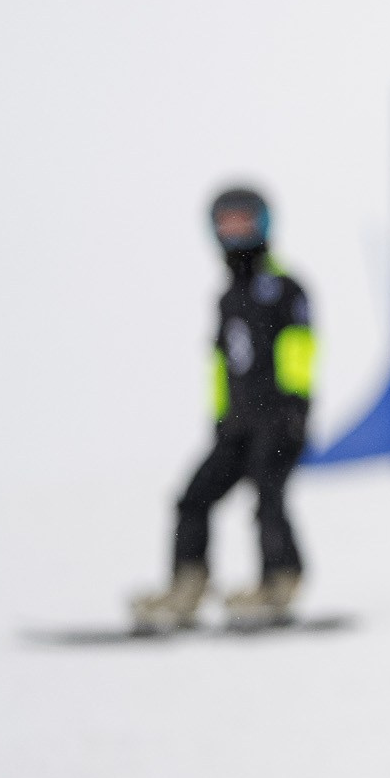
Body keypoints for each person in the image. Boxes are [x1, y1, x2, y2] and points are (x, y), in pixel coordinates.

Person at [131, 186, 315, 631]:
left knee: (268, 497)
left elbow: (300, 347)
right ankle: (187, 587)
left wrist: (293, 405)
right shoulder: (228, 295)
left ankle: (279, 583)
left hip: (278, 418)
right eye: (226, 222)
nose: (234, 231)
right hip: (236, 424)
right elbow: (221, 364)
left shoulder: (284, 287)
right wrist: (221, 417)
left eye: (243, 221)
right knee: (192, 498)